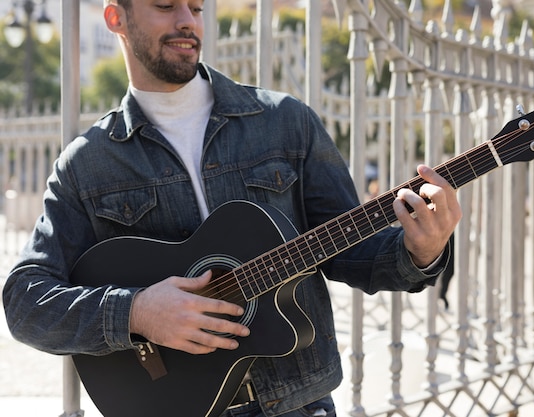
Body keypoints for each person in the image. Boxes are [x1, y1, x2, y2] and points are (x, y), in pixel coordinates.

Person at [2, 1, 461, 416]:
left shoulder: (286, 122)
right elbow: (25, 303)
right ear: (116, 18)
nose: (187, 21)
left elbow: (348, 252)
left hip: (296, 405)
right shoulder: (88, 164)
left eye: (196, 8)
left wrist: (421, 249)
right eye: (165, 5)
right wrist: (136, 313)